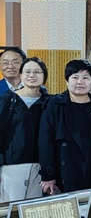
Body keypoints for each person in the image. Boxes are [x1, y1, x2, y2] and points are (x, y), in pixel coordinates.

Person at [39, 59, 91, 194]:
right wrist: (48, 175)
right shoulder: (55, 104)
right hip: (63, 172)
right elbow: (45, 140)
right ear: (67, 81)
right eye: (75, 77)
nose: (80, 82)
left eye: (85, 78)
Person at [0, 57, 50, 201]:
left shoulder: (49, 102)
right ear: (21, 75)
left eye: (37, 72)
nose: (32, 75)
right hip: (12, 166)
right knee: (10, 213)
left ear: (44, 76)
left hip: (40, 166)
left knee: (34, 213)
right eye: (27, 72)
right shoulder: (8, 100)